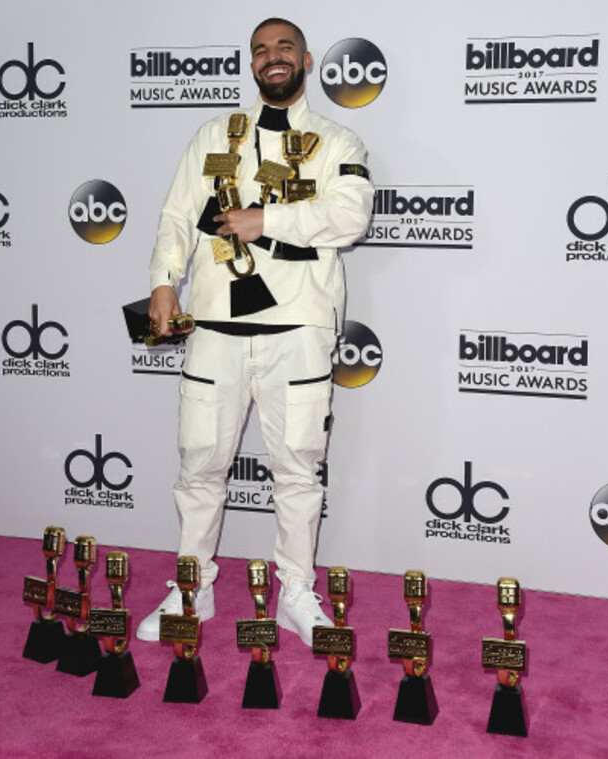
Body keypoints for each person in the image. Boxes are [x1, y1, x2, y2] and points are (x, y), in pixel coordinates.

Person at [137, 17, 374, 646]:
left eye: (284, 48)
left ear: (306, 59)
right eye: (261, 50)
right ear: (251, 64)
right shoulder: (215, 133)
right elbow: (177, 213)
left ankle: (295, 588)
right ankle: (193, 588)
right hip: (215, 324)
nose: (273, 58)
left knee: (298, 465)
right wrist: (165, 279)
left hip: (297, 326)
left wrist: (262, 219)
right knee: (200, 462)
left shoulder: (337, 141)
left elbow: (349, 215)